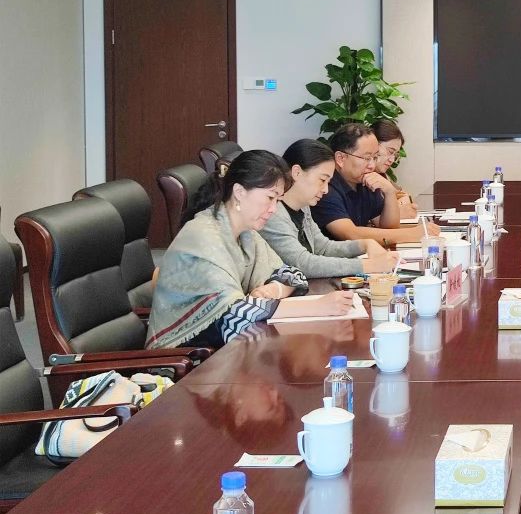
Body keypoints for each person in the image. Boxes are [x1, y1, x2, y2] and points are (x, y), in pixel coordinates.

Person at [147, 150, 355, 350]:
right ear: (239, 192)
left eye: (278, 200)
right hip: (187, 355)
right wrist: (316, 306)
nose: (273, 209)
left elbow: (293, 274)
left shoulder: (246, 232)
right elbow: (235, 312)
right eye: (270, 198)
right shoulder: (202, 237)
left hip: (228, 344)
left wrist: (275, 289)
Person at [261, 139, 399, 278]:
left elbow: (323, 247)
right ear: (296, 172)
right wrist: (369, 265)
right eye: (322, 180)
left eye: (328, 182)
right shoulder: (272, 213)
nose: (326, 190)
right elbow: (303, 263)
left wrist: (365, 244)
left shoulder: (303, 208)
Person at [312, 122, 438, 245]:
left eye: (375, 157)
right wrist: (411, 234)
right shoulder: (325, 188)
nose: (372, 165)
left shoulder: (364, 180)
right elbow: (350, 234)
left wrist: (389, 192)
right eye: (367, 158)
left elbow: (388, 227)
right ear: (341, 158)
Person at [371, 119, 418, 219]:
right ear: (374, 143)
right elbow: (374, 219)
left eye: (395, 154)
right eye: (390, 151)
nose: (392, 160)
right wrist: (397, 212)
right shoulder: (362, 176)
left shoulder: (380, 174)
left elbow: (406, 198)